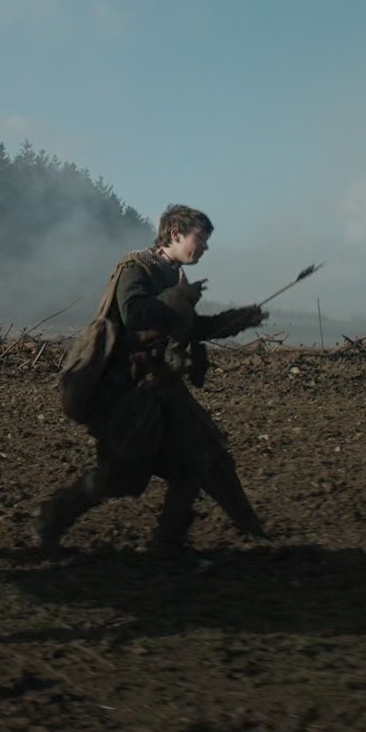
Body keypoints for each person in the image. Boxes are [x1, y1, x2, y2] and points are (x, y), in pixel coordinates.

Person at [35, 205, 270, 558]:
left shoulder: (175, 277)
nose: (205, 247)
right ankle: (53, 518)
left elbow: (185, 326)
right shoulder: (136, 267)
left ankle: (169, 541)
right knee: (121, 477)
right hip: (125, 392)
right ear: (175, 234)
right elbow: (134, 315)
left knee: (197, 458)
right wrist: (178, 299)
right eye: (200, 238)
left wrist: (236, 320)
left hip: (162, 389)